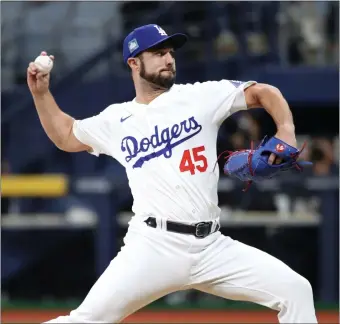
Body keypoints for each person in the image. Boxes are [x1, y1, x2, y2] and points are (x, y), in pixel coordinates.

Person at [27, 24, 317, 323]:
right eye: (158, 53)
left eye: (170, 52)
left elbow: (264, 93)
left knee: (296, 290)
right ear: (134, 62)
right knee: (84, 320)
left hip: (211, 246)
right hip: (153, 247)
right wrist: (41, 94)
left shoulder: (201, 95)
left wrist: (286, 131)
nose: (168, 59)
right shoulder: (116, 119)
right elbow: (65, 135)